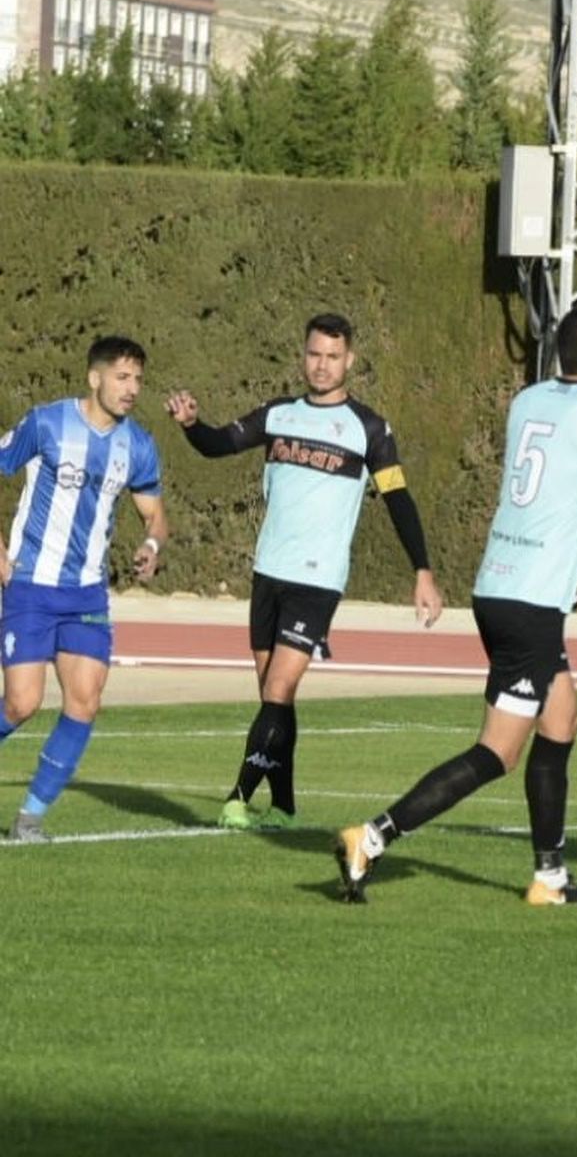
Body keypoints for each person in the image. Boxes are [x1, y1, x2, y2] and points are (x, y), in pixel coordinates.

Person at [333, 302, 577, 905]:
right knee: (497, 751)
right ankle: (370, 837)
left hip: (500, 584)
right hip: (531, 600)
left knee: (563, 719)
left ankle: (549, 877)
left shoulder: (527, 402)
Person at [165, 313, 442, 830]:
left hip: (317, 581)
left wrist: (422, 570)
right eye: (314, 354)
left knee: (277, 691)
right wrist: (189, 426)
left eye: (332, 357)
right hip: (268, 572)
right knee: (275, 695)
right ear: (303, 354)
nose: (322, 365)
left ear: (349, 361)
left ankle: (238, 797)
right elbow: (219, 443)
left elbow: (399, 499)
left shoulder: (371, 429)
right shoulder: (278, 414)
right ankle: (287, 805)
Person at [1, 337, 167, 841]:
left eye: (137, 379)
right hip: (31, 585)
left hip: (87, 596)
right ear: (94, 378)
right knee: (22, 704)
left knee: (84, 702)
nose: (131, 388)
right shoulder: (47, 422)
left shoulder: (137, 444)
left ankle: (30, 818)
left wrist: (153, 545)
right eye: (122, 377)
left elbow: (155, 512)